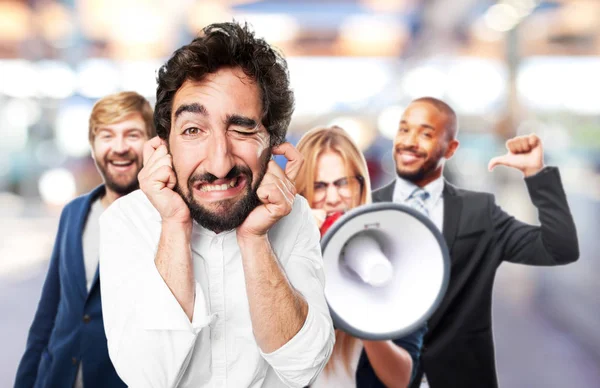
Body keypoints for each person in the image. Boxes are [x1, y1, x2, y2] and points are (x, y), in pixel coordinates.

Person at [98, 21, 335, 388]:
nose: (220, 164)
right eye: (193, 130)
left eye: (242, 130)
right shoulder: (126, 222)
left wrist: (255, 238)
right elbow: (147, 377)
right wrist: (174, 224)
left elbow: (303, 366)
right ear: (164, 144)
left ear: (273, 145)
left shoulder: (294, 215)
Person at [372, 96, 580, 388]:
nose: (409, 141)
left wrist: (536, 174)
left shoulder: (479, 213)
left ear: (451, 148)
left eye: (426, 133)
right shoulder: (366, 210)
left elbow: (559, 248)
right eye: (404, 130)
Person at [14, 91, 156, 388]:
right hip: (56, 378)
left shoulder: (165, 219)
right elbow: (48, 312)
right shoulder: (74, 213)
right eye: (107, 136)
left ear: (152, 144)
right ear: (93, 147)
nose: (119, 148)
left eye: (132, 134)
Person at [295, 125, 426, 388]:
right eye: (318, 186)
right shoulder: (276, 257)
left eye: (342, 183)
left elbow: (401, 379)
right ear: (299, 192)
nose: (332, 198)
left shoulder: (394, 257)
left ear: (361, 186)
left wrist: (364, 314)